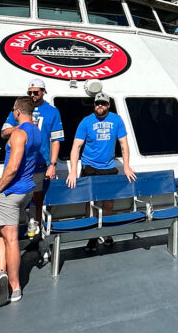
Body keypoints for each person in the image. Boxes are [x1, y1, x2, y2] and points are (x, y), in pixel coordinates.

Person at [0, 97, 43, 306]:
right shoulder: (36, 131)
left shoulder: (19, 134)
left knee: (10, 239)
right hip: (27, 189)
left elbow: (12, 167)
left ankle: (14, 287)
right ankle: (1, 272)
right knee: (0, 234)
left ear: (17, 112)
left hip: (11, 193)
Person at [66, 91, 136, 253]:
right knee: (91, 203)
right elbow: (76, 147)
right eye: (98, 103)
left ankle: (106, 231)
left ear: (108, 105)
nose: (100, 106)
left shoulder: (116, 120)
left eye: (103, 103)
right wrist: (73, 171)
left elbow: (124, 144)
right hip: (90, 167)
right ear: (94, 105)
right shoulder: (86, 122)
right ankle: (92, 235)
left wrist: (126, 166)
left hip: (109, 167)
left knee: (108, 202)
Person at [2, 78, 63, 238]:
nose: (32, 95)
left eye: (36, 92)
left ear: (43, 92)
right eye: (29, 92)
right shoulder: (18, 110)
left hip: (40, 164)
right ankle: (15, 230)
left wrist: (53, 164)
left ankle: (37, 229)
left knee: (37, 198)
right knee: (16, 198)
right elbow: (4, 133)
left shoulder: (52, 111)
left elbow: (56, 140)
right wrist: (22, 126)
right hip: (19, 164)